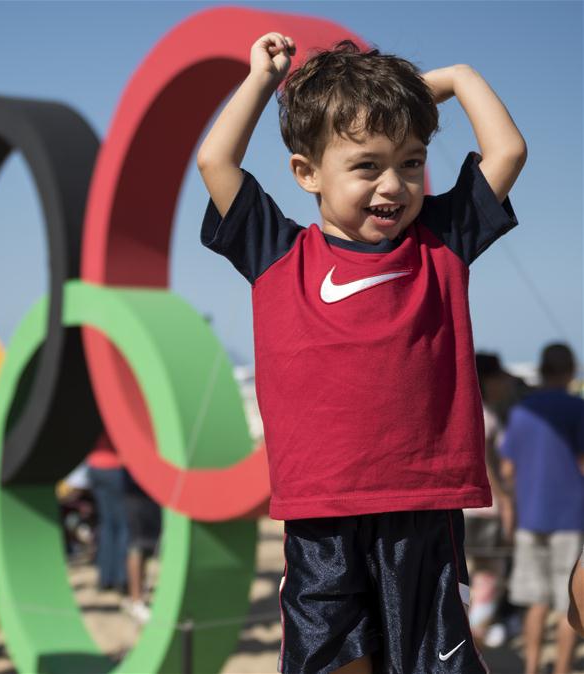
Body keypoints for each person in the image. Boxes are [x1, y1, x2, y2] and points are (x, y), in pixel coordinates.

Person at [197, 33, 525, 673]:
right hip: (321, 518)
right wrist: (264, 80)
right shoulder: (276, 254)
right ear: (306, 172)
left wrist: (455, 77)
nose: (394, 184)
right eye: (366, 164)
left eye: (410, 161)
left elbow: (507, 149)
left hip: (423, 509)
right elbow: (216, 161)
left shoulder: (441, 241)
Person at [499, 342, 584, 674]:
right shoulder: (577, 409)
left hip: (530, 516)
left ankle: (531, 669)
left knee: (534, 603)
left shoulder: (522, 411)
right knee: (571, 604)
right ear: (569, 370)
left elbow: (507, 469)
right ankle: (561, 670)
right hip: (571, 516)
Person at [464, 352, 516, 647]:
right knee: (489, 576)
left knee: (470, 573)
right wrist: (507, 503)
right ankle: (475, 637)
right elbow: (488, 465)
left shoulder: (465, 409)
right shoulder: (486, 414)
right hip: (486, 509)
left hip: (464, 510)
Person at [85, 434, 128, 594]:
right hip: (115, 467)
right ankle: (121, 578)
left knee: (107, 524)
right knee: (123, 525)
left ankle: (105, 578)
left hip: (94, 467)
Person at [120, 470, 161, 625]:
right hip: (136, 491)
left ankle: (137, 598)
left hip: (154, 490)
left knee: (145, 546)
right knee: (136, 545)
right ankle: (136, 601)